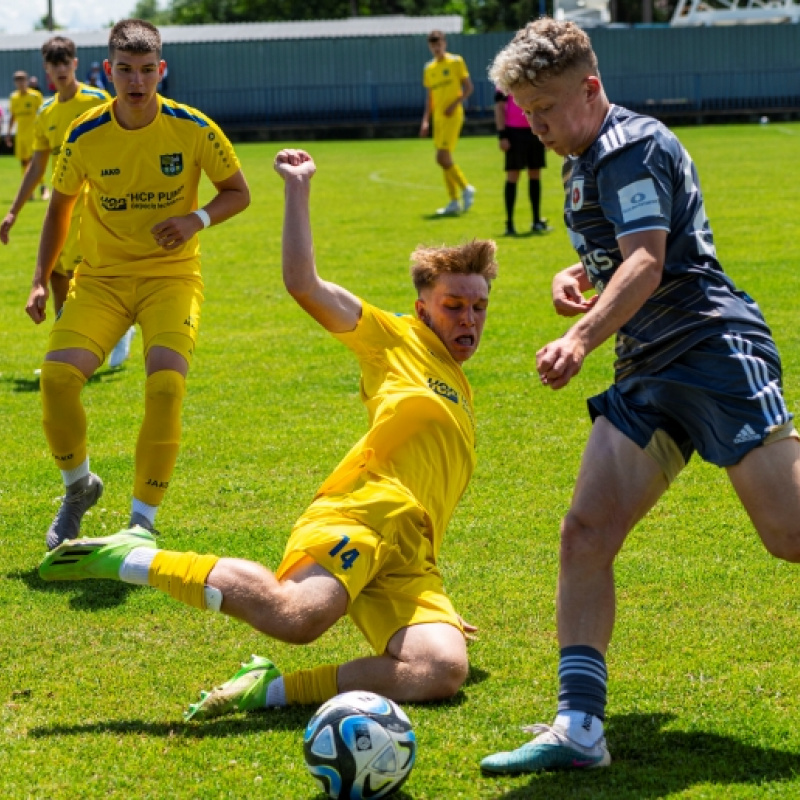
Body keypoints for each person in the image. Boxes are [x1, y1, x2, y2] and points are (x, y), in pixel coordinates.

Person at [39, 147, 497, 719]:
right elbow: (303, 283)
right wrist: (298, 189)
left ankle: (265, 690)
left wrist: (431, 611)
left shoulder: (458, 383)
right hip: (363, 512)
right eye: (454, 305)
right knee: (296, 617)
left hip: (412, 550)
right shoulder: (395, 338)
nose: (469, 320)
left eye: (479, 307)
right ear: (422, 307)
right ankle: (136, 556)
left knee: (440, 669)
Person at [481, 17, 800, 774]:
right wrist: (581, 272)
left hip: (712, 349)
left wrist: (580, 337)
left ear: (591, 88)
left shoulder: (626, 147)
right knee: (585, 534)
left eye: (549, 110)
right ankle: (580, 726)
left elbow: (650, 263)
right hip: (649, 365)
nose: (540, 127)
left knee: (790, 536)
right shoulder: (586, 155)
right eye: (530, 113)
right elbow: (623, 249)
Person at [25, 19, 250, 551]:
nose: (136, 82)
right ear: (108, 71)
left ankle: (142, 520)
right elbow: (59, 212)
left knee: (166, 385)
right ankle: (78, 489)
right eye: (125, 70)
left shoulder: (193, 127)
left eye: (147, 70)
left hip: (171, 278)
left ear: (161, 71)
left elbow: (237, 191)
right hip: (100, 280)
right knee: (56, 380)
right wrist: (39, 280)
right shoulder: (84, 133)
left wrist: (196, 219)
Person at [1, 38, 113, 322]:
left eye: (65, 62)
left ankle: (116, 331)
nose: (61, 69)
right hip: (62, 207)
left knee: (83, 279)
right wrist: (13, 212)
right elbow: (37, 166)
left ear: (74, 64)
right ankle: (66, 348)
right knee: (57, 277)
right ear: (46, 68)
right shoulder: (45, 113)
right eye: (54, 64)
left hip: (92, 208)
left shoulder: (97, 102)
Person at [419, 30, 476, 216]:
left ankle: (466, 188)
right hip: (438, 118)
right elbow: (430, 99)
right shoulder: (429, 69)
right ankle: (453, 201)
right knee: (445, 160)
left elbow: (468, 88)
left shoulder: (456, 62)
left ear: (445, 44)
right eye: (433, 45)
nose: (436, 48)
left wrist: (455, 103)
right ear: (429, 47)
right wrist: (425, 121)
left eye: (439, 44)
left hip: (453, 116)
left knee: (442, 157)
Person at [494, 88, 551, 236]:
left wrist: (546, 132)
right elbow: (499, 108)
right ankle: (510, 224)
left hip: (534, 130)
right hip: (513, 133)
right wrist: (502, 135)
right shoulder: (505, 84)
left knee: (535, 174)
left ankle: (536, 221)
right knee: (513, 176)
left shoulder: (535, 81)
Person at [5, 70, 46, 200]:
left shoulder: (35, 96)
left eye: (22, 80)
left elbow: (43, 115)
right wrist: (8, 133)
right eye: (18, 81)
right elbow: (13, 116)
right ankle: (29, 192)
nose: (20, 83)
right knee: (24, 163)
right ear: (15, 83)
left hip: (34, 135)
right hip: (21, 135)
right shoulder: (14, 97)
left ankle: (43, 187)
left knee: (35, 163)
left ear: (27, 81)